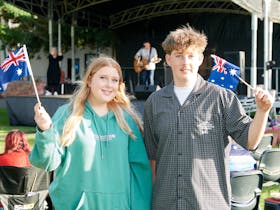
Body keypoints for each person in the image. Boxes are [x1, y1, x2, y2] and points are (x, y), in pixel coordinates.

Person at [143, 25, 274, 210]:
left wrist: (262, 112)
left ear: (200, 59)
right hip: (165, 203)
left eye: (190, 56)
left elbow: (250, 142)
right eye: (178, 55)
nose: (185, 62)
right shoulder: (154, 102)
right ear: (168, 59)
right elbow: (152, 158)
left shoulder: (222, 98)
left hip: (209, 203)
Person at [29, 56, 152, 210]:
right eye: (103, 78)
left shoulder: (127, 121)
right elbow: (47, 162)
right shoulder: (67, 115)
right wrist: (45, 130)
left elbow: (140, 171)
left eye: (114, 80)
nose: (109, 84)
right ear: (89, 80)